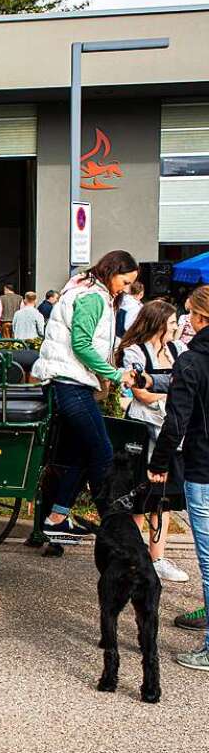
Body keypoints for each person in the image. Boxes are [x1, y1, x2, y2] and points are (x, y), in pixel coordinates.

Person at [32, 250, 140, 544]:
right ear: (113, 271)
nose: (125, 288)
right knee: (103, 453)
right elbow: (81, 344)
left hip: (68, 380)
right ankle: (114, 528)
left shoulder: (88, 288)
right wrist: (116, 374)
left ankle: (56, 518)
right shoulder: (93, 296)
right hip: (72, 383)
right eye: (125, 281)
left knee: (83, 452)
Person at [148, 285, 209, 671]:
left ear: (202, 319)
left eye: (189, 313)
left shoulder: (191, 361)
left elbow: (176, 421)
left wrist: (159, 463)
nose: (186, 320)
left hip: (203, 466)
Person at [116, 300, 189, 582]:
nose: (176, 327)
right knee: (140, 496)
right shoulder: (135, 350)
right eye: (171, 323)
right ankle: (135, 557)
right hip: (143, 429)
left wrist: (168, 390)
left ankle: (157, 557)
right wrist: (173, 390)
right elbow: (140, 394)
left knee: (165, 498)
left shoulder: (177, 350)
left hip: (170, 431)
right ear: (158, 323)